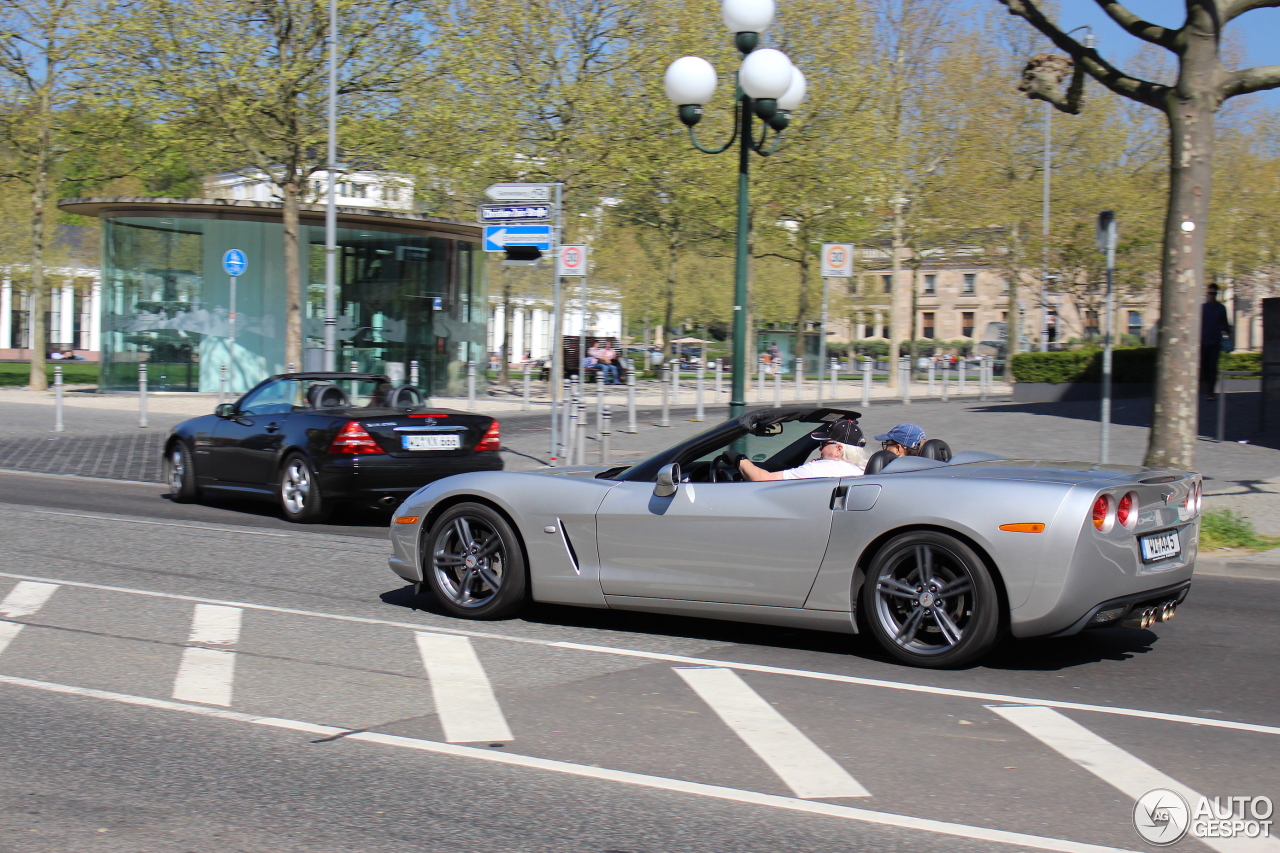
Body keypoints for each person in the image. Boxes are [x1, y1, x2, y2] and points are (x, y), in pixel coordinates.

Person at [722, 418, 868, 481]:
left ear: (839, 449)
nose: (820, 450)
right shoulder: (862, 469)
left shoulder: (818, 470)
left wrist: (738, 459)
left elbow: (762, 478)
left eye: (823, 445)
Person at [1201, 283, 1232, 400]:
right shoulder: (1202, 308)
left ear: (1216, 294)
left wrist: (1230, 338)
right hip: (1203, 342)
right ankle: (1208, 387)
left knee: (1213, 366)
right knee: (1205, 367)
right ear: (1207, 293)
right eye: (1210, 293)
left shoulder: (1221, 308)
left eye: (1214, 293)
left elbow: (1225, 325)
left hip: (1215, 342)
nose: (1212, 296)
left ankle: (1210, 392)